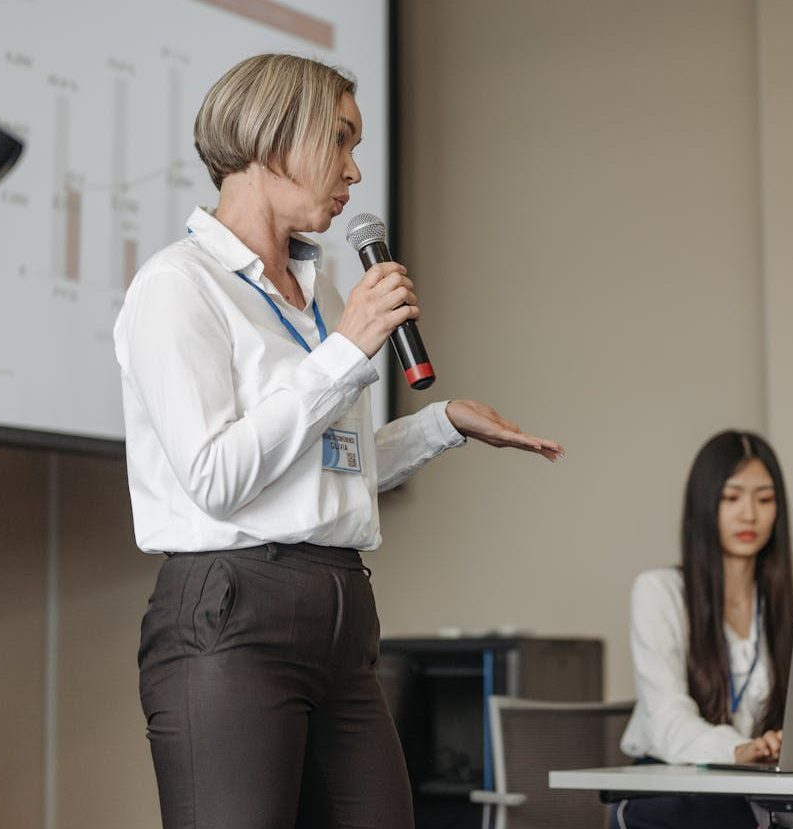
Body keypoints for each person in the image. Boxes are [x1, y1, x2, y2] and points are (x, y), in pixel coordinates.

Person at [113, 54, 563, 829]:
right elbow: (217, 477)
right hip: (233, 610)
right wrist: (346, 352)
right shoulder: (177, 286)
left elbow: (323, 473)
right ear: (271, 134)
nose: (355, 170)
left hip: (342, 612)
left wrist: (439, 424)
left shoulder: (315, 293)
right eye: (341, 141)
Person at [611, 430, 793, 829]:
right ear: (704, 505)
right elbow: (666, 717)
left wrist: (784, 743)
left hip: (761, 790)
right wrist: (741, 750)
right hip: (675, 792)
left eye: (764, 499)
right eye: (731, 498)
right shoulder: (660, 592)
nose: (749, 514)